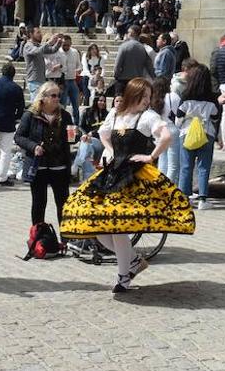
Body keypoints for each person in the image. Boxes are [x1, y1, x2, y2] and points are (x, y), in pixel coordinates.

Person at [60, 78, 195, 293]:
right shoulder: (115, 114)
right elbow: (103, 134)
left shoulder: (148, 116)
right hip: (112, 172)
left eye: (149, 97)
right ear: (134, 95)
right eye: (144, 97)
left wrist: (150, 156)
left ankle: (124, 276)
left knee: (117, 226)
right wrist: (111, 150)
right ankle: (132, 261)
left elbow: (167, 135)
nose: (147, 101)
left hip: (133, 176)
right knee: (99, 226)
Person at [15, 80, 75, 231]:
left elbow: (71, 137)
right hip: (38, 166)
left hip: (59, 165)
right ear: (43, 97)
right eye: (53, 95)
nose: (57, 99)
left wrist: (79, 135)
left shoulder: (65, 116)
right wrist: (33, 146)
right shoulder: (30, 115)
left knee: (63, 204)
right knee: (39, 203)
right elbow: (19, 137)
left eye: (58, 96)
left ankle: (66, 238)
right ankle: (38, 238)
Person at [174, 61, 221, 209]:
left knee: (186, 167)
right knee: (204, 167)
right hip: (206, 134)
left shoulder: (185, 96)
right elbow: (215, 117)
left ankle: (184, 198)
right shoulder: (212, 98)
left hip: (186, 134)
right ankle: (202, 199)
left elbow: (178, 119)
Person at [74, 94, 110, 182]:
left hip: (100, 142)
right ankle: (87, 177)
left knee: (86, 143)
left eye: (104, 101)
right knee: (86, 145)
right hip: (87, 139)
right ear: (96, 101)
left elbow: (106, 129)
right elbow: (80, 126)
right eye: (100, 100)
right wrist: (85, 134)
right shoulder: (87, 112)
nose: (102, 103)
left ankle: (76, 165)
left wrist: (92, 133)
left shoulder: (108, 114)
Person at [113, 24, 155, 94]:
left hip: (123, 80)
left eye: (128, 32)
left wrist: (116, 75)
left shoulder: (124, 46)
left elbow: (117, 64)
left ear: (132, 33)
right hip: (137, 81)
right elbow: (149, 65)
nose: (127, 34)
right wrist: (154, 77)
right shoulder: (142, 48)